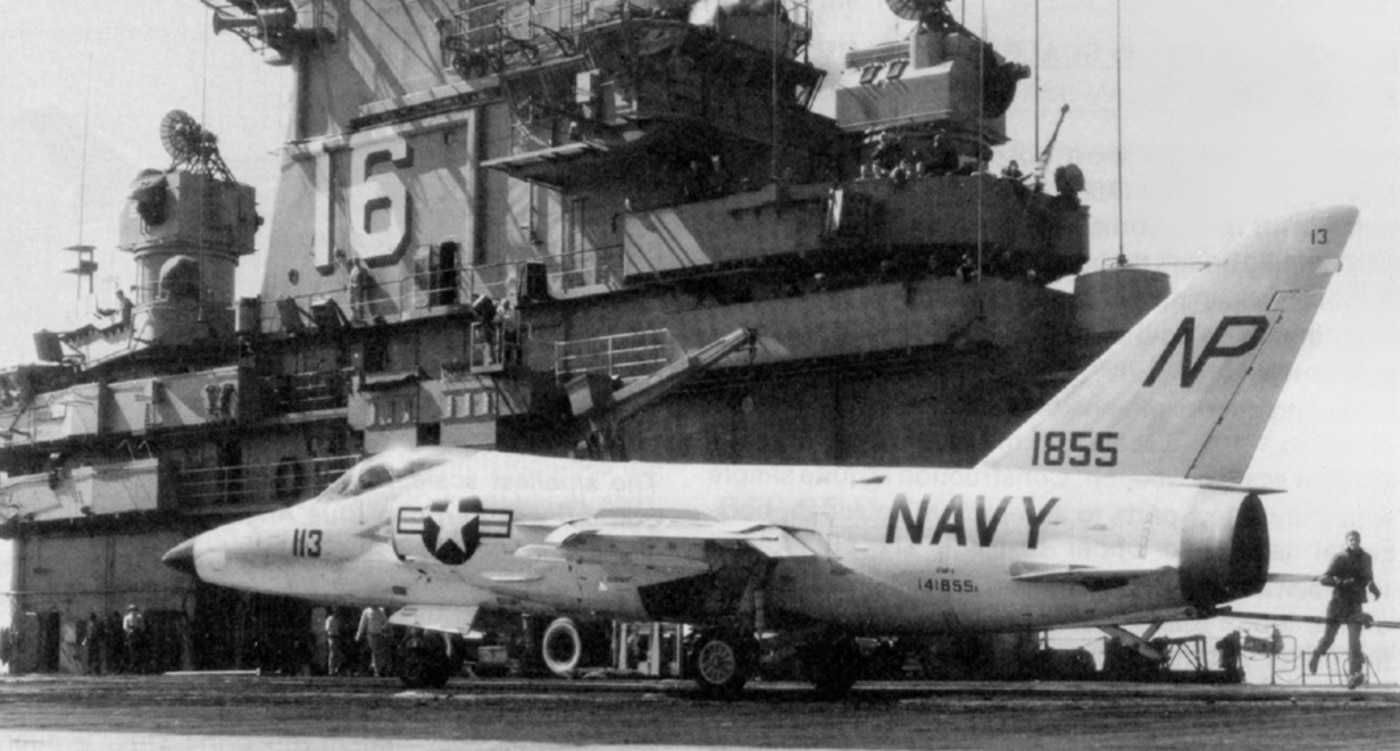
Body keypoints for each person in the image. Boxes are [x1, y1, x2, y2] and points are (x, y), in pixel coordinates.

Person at [1309, 530, 1381, 688]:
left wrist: (1373, 587)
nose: (1353, 542)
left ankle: (1354, 675)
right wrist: (1341, 583)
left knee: (1354, 642)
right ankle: (1316, 655)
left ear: (1360, 541)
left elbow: (1369, 577)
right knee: (1329, 637)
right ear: (1347, 541)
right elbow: (1324, 579)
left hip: (1355, 604)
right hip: (1338, 603)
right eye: (1351, 539)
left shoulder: (1366, 558)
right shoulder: (1340, 557)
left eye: (1356, 539)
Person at [355, 606, 391, 677]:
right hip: (371, 634)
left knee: (379, 652)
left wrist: (385, 629)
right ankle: (376, 669)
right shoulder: (367, 611)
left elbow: (385, 622)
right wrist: (359, 634)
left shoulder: (381, 610)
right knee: (374, 651)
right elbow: (362, 623)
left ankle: (378, 668)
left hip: (379, 634)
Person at [121, 604, 146, 673]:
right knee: (131, 652)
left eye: (134, 609)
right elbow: (125, 627)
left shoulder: (139, 617)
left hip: (138, 635)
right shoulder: (126, 617)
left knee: (139, 651)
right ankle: (132, 666)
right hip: (131, 636)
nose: (133, 611)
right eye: (132, 610)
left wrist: (138, 629)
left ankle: (139, 667)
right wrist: (130, 631)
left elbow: (143, 627)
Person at [325, 609, 346, 676]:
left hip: (338, 636)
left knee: (339, 653)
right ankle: (331, 670)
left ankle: (337, 668)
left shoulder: (339, 619)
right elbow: (327, 628)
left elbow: (342, 627)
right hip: (332, 636)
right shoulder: (329, 619)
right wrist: (333, 630)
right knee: (333, 653)